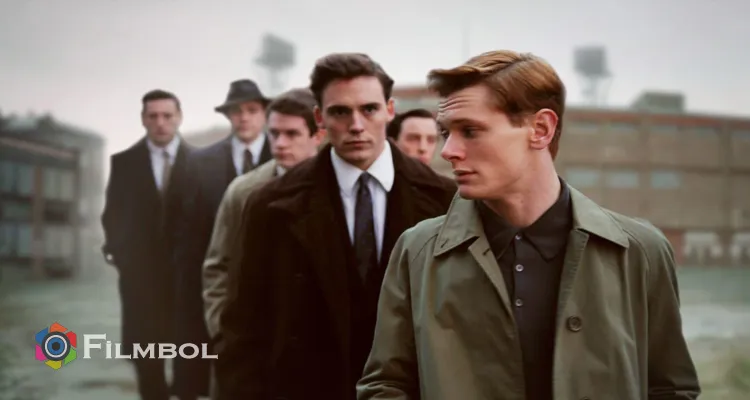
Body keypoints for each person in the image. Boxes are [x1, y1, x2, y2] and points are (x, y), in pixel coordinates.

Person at [357, 50, 701, 400]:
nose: (448, 150)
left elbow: (671, 388)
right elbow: (385, 386)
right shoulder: (417, 251)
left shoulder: (641, 251)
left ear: (540, 129)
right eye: (447, 132)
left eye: (470, 131)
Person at [215, 52, 456, 400]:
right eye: (340, 112)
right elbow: (243, 329)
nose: (356, 125)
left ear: (389, 110)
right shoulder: (270, 205)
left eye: (369, 109)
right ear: (320, 118)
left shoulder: (445, 200)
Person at [172, 79, 271, 399]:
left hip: (269, 285)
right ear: (228, 116)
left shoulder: (285, 154)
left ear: (264, 113)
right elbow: (187, 232)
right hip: (215, 283)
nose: (244, 117)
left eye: (252, 110)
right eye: (237, 111)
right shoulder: (200, 162)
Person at [202, 87, 323, 349]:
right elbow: (218, 266)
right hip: (258, 341)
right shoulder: (243, 191)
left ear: (318, 135)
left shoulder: (338, 188)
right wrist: (223, 333)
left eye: (292, 134)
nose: (280, 143)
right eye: (274, 133)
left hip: (322, 340)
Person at [101, 89, 193, 400]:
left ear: (179, 118)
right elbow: (113, 216)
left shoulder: (200, 162)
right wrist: (126, 261)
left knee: (189, 359)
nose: (160, 123)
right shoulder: (124, 163)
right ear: (143, 119)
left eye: (167, 116)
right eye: (153, 116)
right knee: (148, 360)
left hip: (187, 282)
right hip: (142, 283)